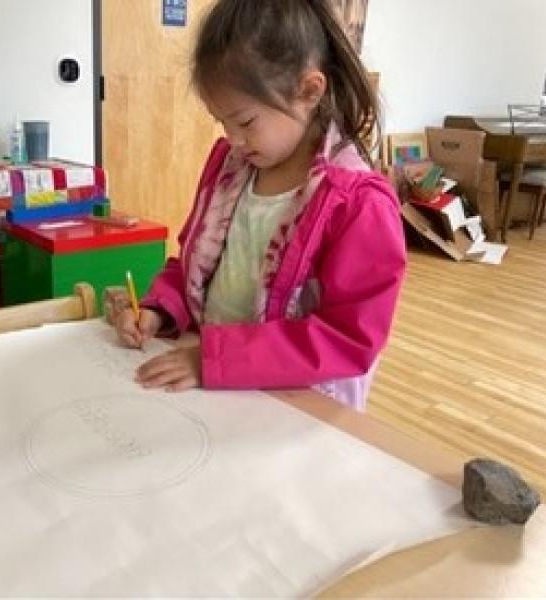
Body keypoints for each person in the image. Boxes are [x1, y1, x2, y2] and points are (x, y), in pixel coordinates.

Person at [114, 0, 405, 411]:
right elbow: (194, 266)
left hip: (299, 411)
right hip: (219, 390)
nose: (233, 139)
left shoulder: (357, 203)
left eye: (246, 122)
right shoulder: (232, 169)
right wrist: (160, 310)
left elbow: (348, 338)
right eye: (223, 123)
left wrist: (214, 359)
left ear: (309, 91)